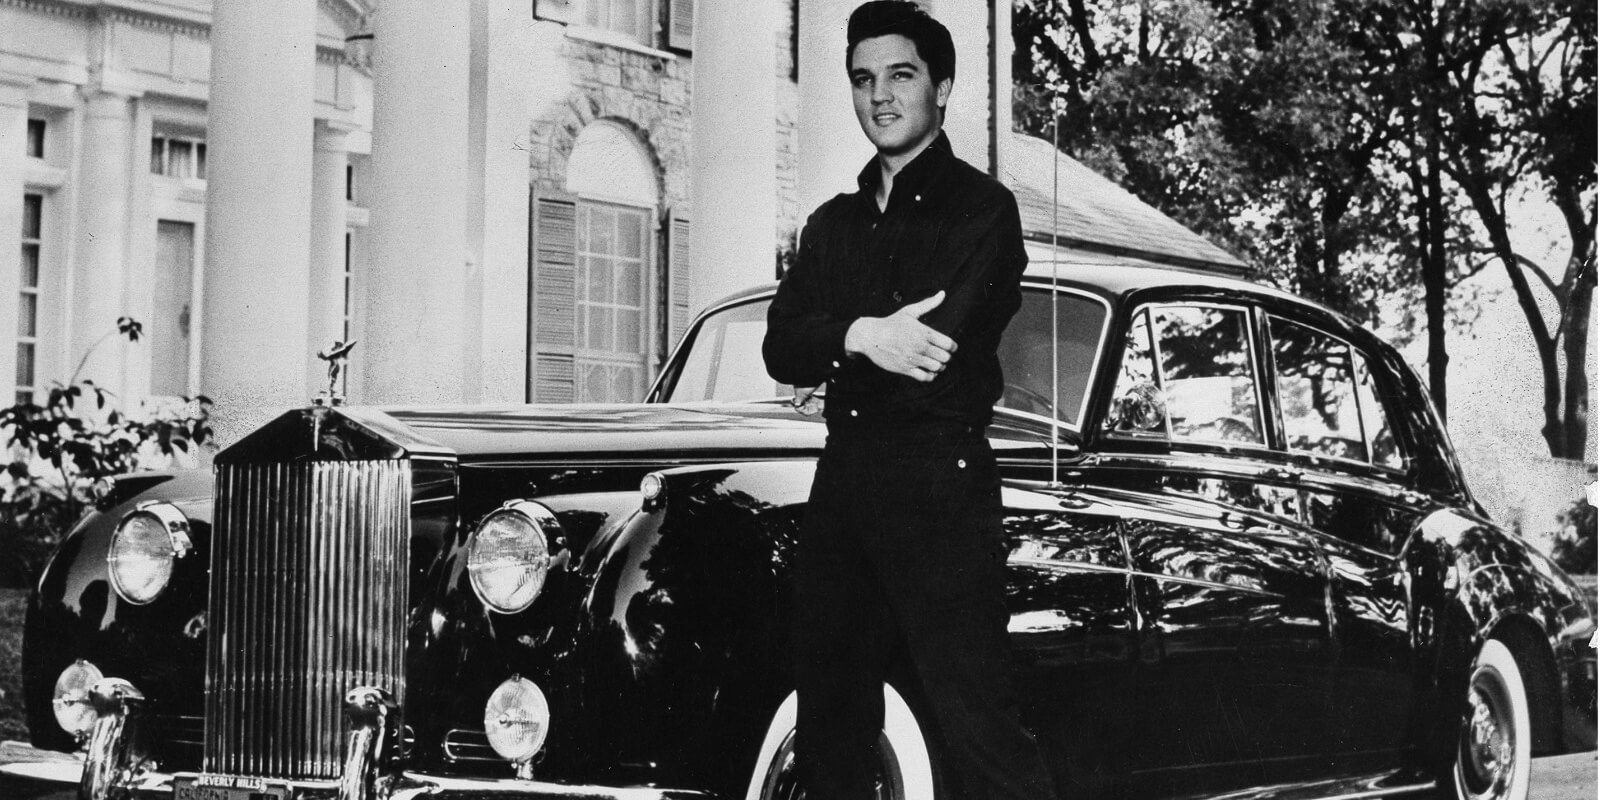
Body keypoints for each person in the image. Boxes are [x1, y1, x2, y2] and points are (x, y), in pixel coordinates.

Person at [761, 3, 1061, 798]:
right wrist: (862, 333)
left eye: (901, 75)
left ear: (944, 86)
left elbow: (933, 351)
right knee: (830, 728)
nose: (879, 96)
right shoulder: (830, 225)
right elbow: (777, 347)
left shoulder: (983, 210)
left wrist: (834, 339)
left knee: (977, 726)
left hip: (941, 488)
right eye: (863, 80)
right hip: (842, 491)